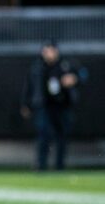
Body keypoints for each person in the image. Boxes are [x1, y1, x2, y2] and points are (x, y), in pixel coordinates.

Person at [21, 40, 82, 171]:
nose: (49, 54)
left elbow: (83, 74)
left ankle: (60, 165)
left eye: (52, 50)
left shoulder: (65, 65)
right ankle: (41, 165)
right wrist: (26, 103)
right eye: (47, 50)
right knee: (44, 134)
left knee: (62, 136)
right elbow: (29, 86)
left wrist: (74, 78)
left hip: (62, 105)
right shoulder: (37, 67)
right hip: (44, 105)